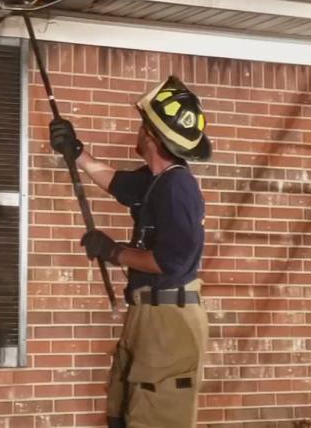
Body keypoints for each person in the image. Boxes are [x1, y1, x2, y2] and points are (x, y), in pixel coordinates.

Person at [49, 76, 211, 428]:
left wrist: (114, 252)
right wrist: (75, 152)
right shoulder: (156, 181)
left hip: (170, 321)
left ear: (151, 136)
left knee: (155, 413)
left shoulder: (177, 188)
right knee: (122, 410)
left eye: (142, 126)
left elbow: (171, 260)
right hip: (150, 315)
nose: (137, 132)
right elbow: (115, 182)